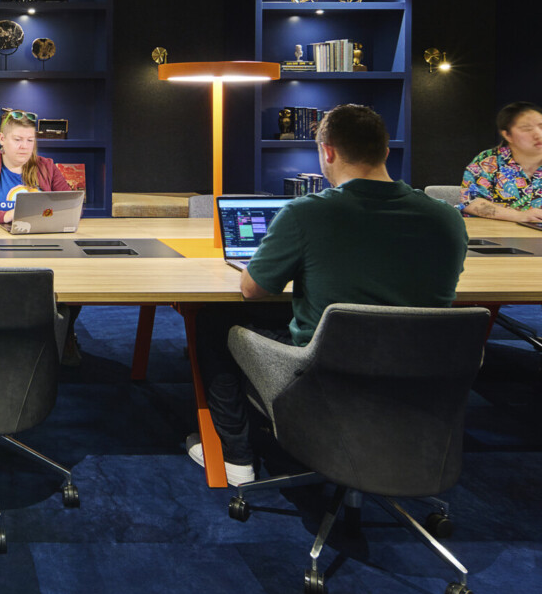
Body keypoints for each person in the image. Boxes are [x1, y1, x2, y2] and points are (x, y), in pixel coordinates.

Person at [190, 104, 468, 485]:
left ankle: (235, 456)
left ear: (328, 152)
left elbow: (253, 290)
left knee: (212, 318)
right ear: (386, 152)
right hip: (422, 377)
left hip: (326, 371)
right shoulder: (447, 217)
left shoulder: (307, 214)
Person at [459, 101, 542, 386]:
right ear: (507, 134)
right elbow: (471, 202)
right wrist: (520, 216)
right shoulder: (488, 161)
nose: (538, 134)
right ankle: (473, 347)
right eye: (527, 128)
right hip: (496, 248)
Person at [0, 108, 82, 365]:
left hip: (43, 246)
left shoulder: (47, 167)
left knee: (75, 276)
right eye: (18, 140)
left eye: (30, 140)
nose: (24, 146)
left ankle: (65, 335)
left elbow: (72, 204)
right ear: (2, 140)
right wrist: (3, 217)